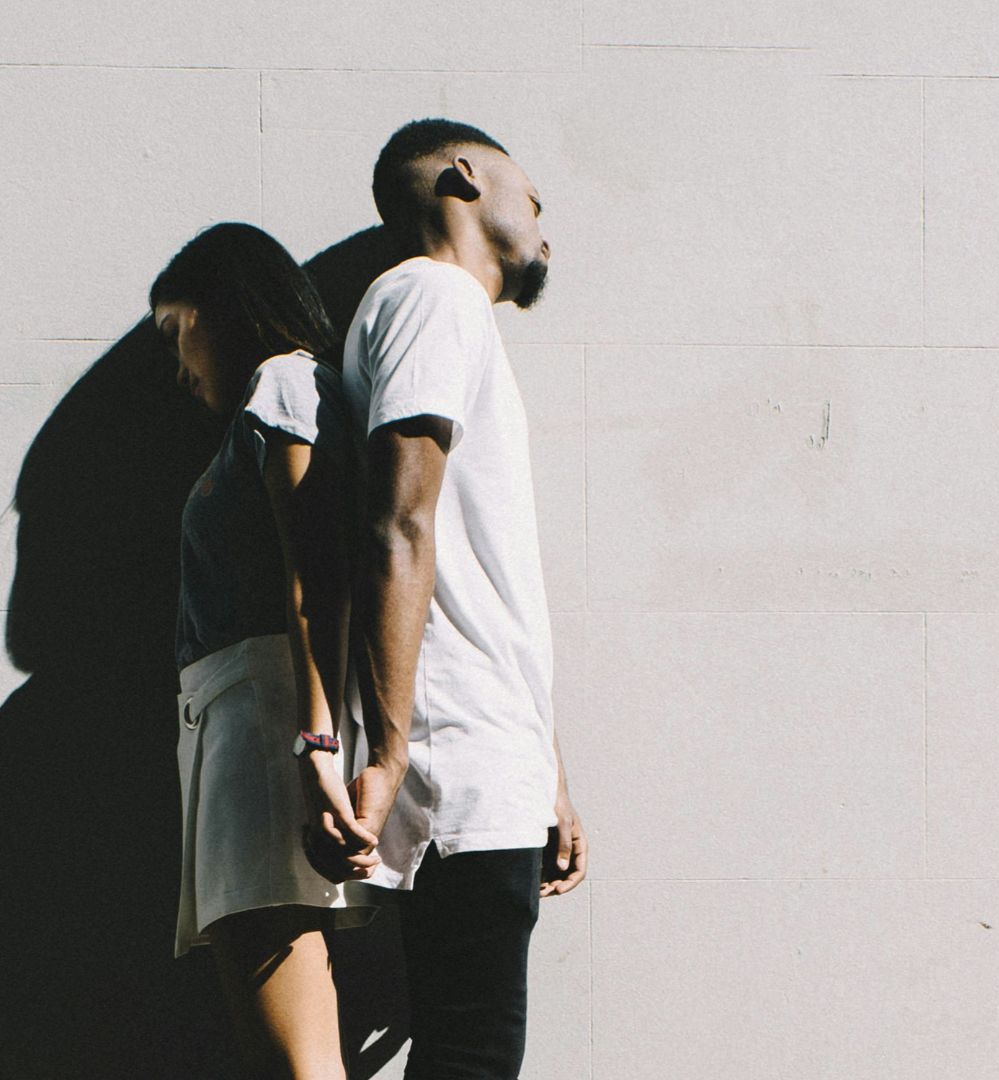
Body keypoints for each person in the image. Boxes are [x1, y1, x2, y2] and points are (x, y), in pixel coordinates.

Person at [330, 118, 590, 1079]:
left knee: (467, 1049)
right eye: (534, 197)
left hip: (490, 755)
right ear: (463, 176)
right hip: (454, 751)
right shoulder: (433, 296)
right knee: (471, 1057)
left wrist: (547, 774)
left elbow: (486, 575)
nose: (545, 227)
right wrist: (393, 752)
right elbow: (398, 526)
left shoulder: (453, 317)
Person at [151, 221, 384, 1080]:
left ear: (225, 307)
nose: (180, 364)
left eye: (180, 333)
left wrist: (313, 745)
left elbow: (317, 575)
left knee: (298, 1065)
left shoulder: (284, 385)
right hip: (240, 727)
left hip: (260, 726)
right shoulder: (275, 399)